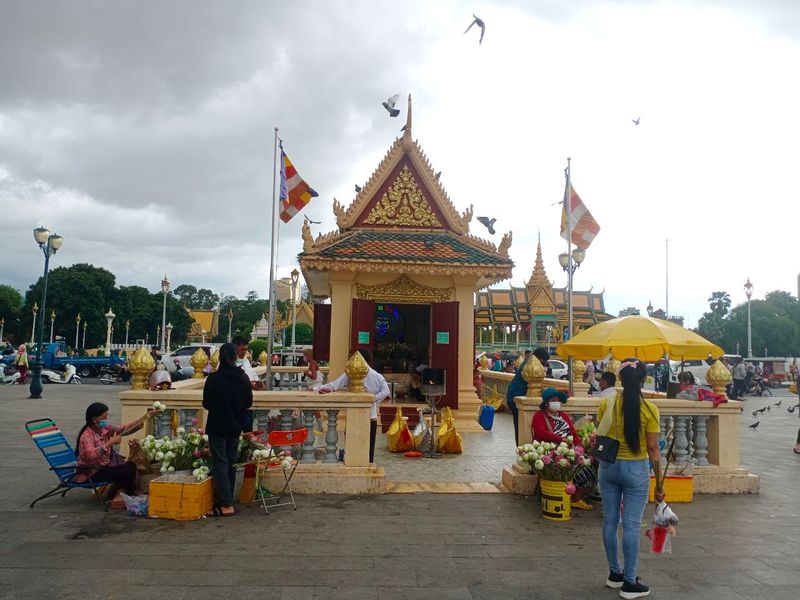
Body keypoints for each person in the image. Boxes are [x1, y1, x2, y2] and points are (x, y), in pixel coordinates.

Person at [597, 359, 662, 598]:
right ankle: (630, 582)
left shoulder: (607, 404)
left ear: (620, 379)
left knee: (610, 522)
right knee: (632, 524)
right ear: (644, 380)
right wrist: (660, 482)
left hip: (609, 467)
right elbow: (653, 448)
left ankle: (615, 573)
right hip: (635, 469)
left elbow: (600, 431)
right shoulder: (650, 409)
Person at [203, 343, 253, 517]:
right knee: (230, 461)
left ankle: (226, 504)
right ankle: (228, 500)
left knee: (220, 463)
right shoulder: (242, 378)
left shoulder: (214, 379)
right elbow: (248, 403)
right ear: (234, 358)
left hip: (217, 425)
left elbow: (206, 403)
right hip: (234, 425)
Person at [318, 349, 389, 463]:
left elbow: (334, 385)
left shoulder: (352, 374)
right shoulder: (377, 376)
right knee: (368, 444)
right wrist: (372, 399)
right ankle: (367, 463)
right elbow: (386, 392)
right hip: (369, 414)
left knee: (353, 441)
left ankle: (354, 461)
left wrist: (368, 399)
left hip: (358, 414)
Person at [75, 402, 158, 494]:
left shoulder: (104, 429)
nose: (106, 420)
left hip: (104, 467)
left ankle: (124, 493)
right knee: (126, 470)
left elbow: (124, 429)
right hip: (91, 473)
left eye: (106, 417)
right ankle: (129, 494)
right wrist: (111, 442)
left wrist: (145, 418)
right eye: (103, 418)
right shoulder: (87, 436)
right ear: (94, 419)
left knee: (131, 465)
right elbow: (91, 455)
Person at [531, 387, 593, 510]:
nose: (556, 403)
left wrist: (578, 445)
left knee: (586, 464)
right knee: (566, 465)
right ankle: (564, 495)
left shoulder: (563, 416)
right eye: (553, 400)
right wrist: (560, 439)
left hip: (569, 449)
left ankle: (576, 498)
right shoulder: (539, 416)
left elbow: (573, 433)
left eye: (558, 400)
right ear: (546, 403)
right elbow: (540, 432)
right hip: (552, 450)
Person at [506, 347, 551, 445]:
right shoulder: (530, 364)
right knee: (520, 425)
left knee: (519, 425)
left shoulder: (529, 361)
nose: (543, 364)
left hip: (515, 395)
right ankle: (522, 447)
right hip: (516, 396)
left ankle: (521, 446)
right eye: (543, 361)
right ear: (539, 357)